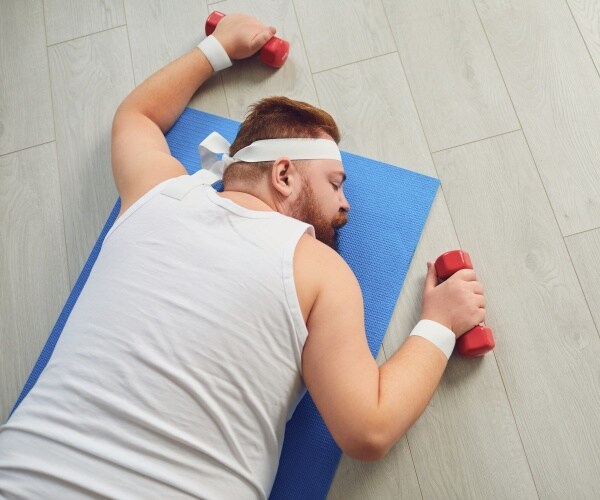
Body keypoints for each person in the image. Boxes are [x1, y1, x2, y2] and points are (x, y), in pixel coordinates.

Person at [0, 13, 486, 499]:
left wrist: (218, 48)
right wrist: (440, 323)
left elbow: (136, 116)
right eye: (335, 183)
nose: (346, 205)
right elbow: (368, 430)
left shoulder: (157, 192)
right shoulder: (318, 269)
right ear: (283, 175)